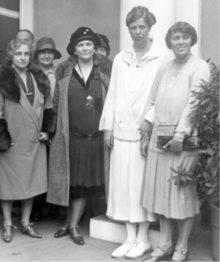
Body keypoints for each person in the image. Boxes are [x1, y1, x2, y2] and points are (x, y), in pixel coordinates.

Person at [99, 6, 169, 259]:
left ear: (150, 27)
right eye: (133, 27)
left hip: (144, 132)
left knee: (140, 186)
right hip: (120, 131)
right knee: (122, 185)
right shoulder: (121, 57)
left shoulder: (162, 57)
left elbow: (162, 94)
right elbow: (113, 93)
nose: (138, 32)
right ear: (128, 29)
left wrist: (148, 123)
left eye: (142, 27)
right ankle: (129, 238)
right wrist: (107, 127)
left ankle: (143, 239)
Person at [140, 22, 210, 262]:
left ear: (192, 40)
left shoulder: (199, 67)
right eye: (176, 38)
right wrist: (146, 128)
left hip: (185, 141)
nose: (180, 42)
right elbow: (152, 96)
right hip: (159, 138)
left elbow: (194, 104)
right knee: (161, 195)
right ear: (170, 42)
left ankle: (181, 247)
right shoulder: (165, 65)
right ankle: (165, 244)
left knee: (182, 196)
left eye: (185, 37)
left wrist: (181, 135)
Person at [47, 26, 112, 245]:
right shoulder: (64, 77)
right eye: (80, 45)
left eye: (89, 44)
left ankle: (72, 225)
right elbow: (55, 107)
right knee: (71, 184)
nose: (85, 48)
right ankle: (70, 223)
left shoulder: (104, 76)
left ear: (95, 48)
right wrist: (50, 132)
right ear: (74, 50)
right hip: (70, 140)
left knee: (83, 186)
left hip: (95, 140)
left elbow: (112, 105)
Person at [0, 39, 55, 243]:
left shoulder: (39, 77)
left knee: (31, 184)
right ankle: (8, 224)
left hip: (34, 140)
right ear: (11, 55)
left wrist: (46, 131)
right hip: (13, 141)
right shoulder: (0, 78)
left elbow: (49, 107)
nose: (23, 58)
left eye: (26, 54)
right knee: (8, 186)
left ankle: (25, 222)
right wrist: (2, 139)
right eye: (19, 54)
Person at [30, 36, 62, 220]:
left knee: (53, 165)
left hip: (56, 121)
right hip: (37, 121)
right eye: (43, 52)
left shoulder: (59, 74)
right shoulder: (31, 73)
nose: (46, 56)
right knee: (37, 166)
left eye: (50, 52)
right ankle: (35, 208)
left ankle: (53, 206)